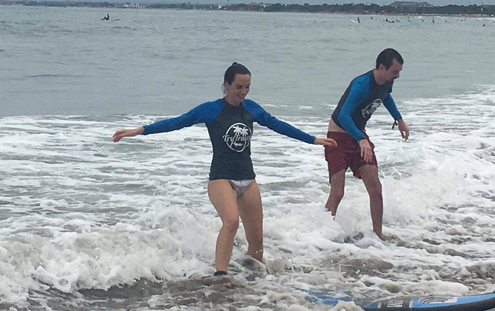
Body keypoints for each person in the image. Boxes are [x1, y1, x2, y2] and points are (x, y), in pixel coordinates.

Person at [112, 63, 336, 277]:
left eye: (247, 87)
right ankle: (220, 275)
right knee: (231, 221)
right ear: (226, 85)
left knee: (257, 240)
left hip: (248, 178)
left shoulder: (251, 108)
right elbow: (177, 122)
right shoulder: (210, 110)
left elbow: (278, 125)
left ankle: (253, 277)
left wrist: (313, 140)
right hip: (221, 178)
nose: (243, 92)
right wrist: (140, 130)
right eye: (239, 87)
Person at [324, 48, 409, 238]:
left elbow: (386, 98)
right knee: (337, 192)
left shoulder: (387, 83)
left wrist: (399, 119)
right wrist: (361, 139)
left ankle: (378, 236)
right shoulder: (361, 85)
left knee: (376, 189)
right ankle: (323, 236)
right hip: (337, 137)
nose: (397, 76)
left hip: (358, 136)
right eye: (394, 72)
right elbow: (343, 115)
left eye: (399, 72)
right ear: (380, 67)